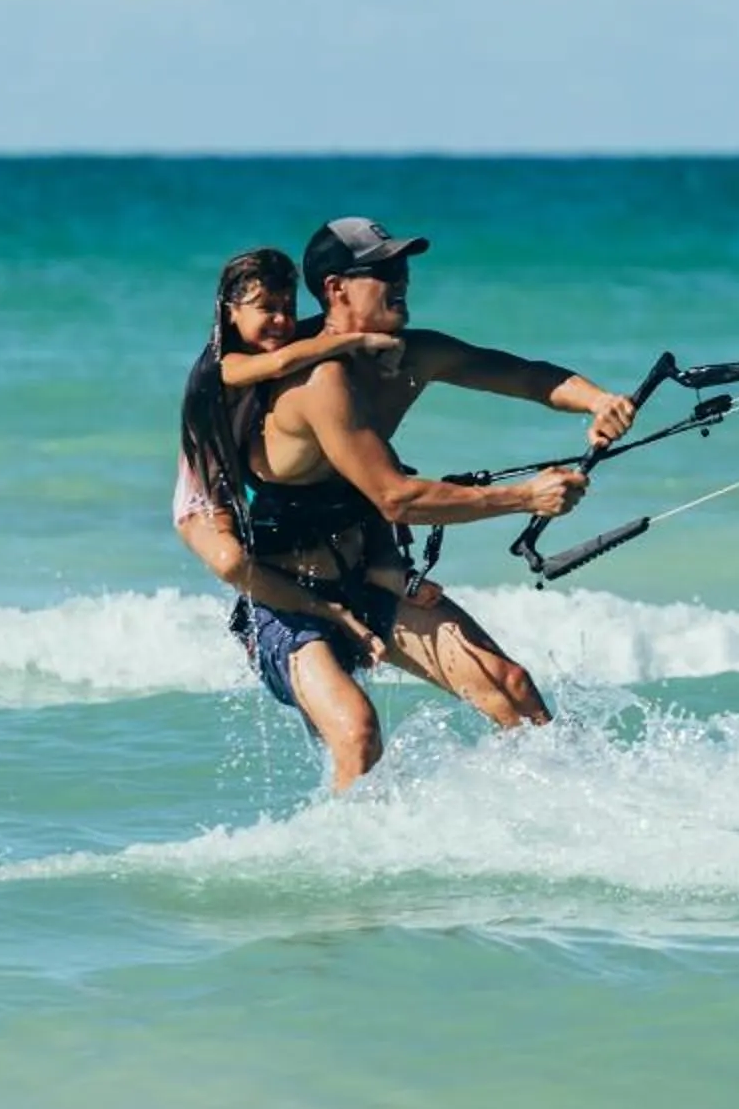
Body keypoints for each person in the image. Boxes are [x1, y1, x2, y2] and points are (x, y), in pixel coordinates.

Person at [230, 215, 636, 789]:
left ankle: (568, 827)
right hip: (287, 602)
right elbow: (396, 499)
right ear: (334, 289)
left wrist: (596, 400)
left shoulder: (411, 356)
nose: (401, 279)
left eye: (403, 268)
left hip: (366, 581)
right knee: (359, 735)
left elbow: (522, 374)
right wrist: (525, 497)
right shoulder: (316, 380)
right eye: (382, 271)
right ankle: (344, 868)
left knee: (514, 694)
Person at [173, 248, 404, 753]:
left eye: (287, 307)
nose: (280, 320)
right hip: (200, 498)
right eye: (264, 308)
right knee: (233, 559)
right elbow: (279, 362)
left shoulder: (285, 337)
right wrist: (358, 339)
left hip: (239, 490)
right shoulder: (224, 362)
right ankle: (327, 614)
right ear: (230, 310)